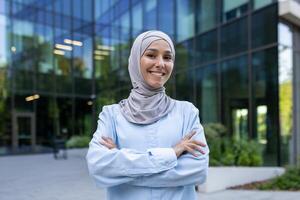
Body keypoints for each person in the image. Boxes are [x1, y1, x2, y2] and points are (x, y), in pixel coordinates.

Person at [86, 30, 209, 200]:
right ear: (136, 60)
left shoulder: (187, 112)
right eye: (151, 55)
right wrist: (172, 154)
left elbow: (198, 171)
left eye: (167, 57)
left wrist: (122, 165)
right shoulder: (111, 115)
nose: (160, 64)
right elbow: (98, 167)